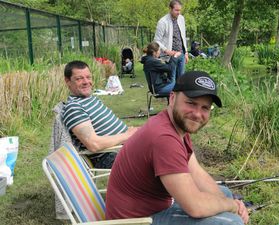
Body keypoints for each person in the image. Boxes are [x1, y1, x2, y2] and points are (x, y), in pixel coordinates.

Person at [105, 71, 249, 225]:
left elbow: (197, 173)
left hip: (152, 209)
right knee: (230, 222)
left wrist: (228, 202)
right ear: (172, 98)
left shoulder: (177, 125)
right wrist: (232, 206)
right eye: (191, 103)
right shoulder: (164, 138)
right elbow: (195, 207)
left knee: (224, 193)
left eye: (205, 108)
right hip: (135, 221)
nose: (197, 114)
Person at [62, 60, 138, 168]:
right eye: (79, 79)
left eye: (88, 77)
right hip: (111, 156)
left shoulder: (91, 99)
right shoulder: (74, 108)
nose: (86, 82)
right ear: (67, 81)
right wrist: (127, 135)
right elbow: (94, 144)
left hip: (125, 146)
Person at [154, 0, 188, 81]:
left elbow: (183, 36)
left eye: (180, 10)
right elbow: (156, 40)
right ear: (170, 9)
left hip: (181, 54)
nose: (178, 12)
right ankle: (172, 94)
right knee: (172, 81)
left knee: (181, 80)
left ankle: (179, 94)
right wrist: (167, 51)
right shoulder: (162, 22)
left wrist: (186, 52)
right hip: (170, 56)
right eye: (176, 10)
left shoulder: (181, 18)